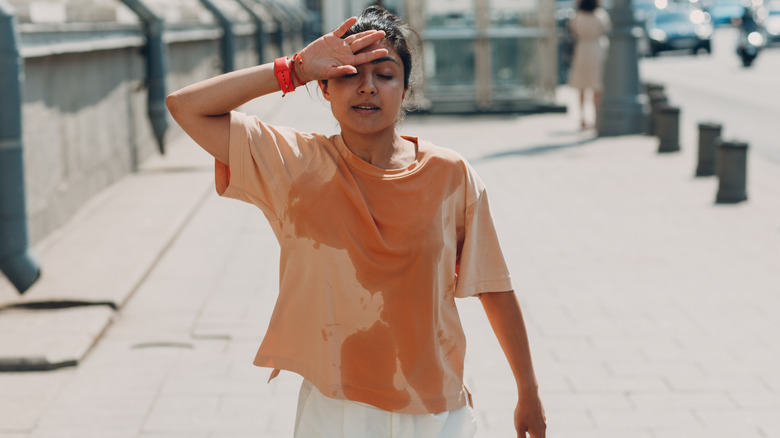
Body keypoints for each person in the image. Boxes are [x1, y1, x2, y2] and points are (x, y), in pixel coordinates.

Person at [166, 6, 545, 438]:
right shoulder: (294, 163)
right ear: (325, 88)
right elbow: (185, 107)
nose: (367, 87)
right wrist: (294, 68)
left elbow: (493, 286)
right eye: (348, 73)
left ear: (405, 90)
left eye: (384, 75)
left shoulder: (450, 175)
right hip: (334, 408)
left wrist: (527, 391)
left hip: (434, 411)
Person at [567, 0, 611, 129]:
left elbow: (572, 29)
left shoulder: (577, 16)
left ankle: (582, 118)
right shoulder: (600, 15)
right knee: (597, 87)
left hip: (581, 50)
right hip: (597, 51)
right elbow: (607, 28)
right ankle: (597, 118)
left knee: (582, 87)